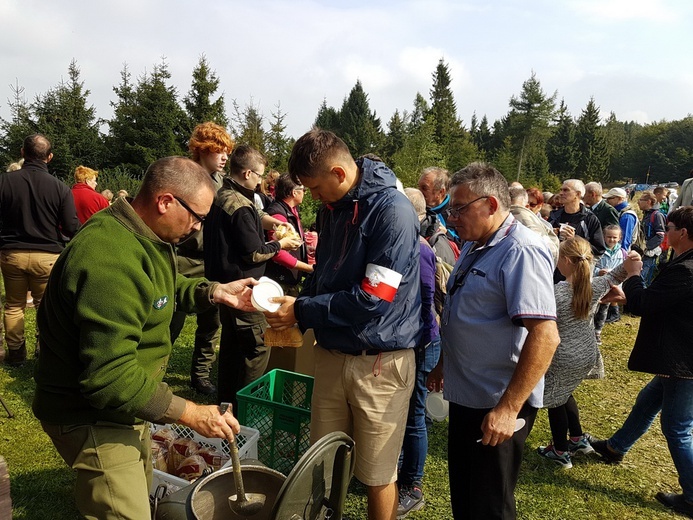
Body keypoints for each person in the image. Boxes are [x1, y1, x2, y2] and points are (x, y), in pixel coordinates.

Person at [32, 156, 254, 520]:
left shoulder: (145, 233)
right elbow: (108, 378)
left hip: (124, 408)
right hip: (89, 415)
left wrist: (214, 292)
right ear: (166, 201)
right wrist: (192, 412)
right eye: (197, 217)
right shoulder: (109, 258)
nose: (198, 229)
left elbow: (160, 289)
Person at [265, 129, 421, 520]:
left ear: (338, 172)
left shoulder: (393, 212)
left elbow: (373, 298)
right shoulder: (333, 207)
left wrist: (302, 311)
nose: (312, 197)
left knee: (377, 473)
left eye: (315, 188)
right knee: (322, 462)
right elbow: (324, 273)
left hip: (380, 363)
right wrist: (298, 301)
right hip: (333, 353)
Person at [427, 162, 560, 519]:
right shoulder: (478, 242)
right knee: (468, 496)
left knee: (489, 505)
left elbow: (545, 335)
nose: (452, 218)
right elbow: (463, 308)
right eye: (450, 210)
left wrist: (508, 408)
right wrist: (444, 363)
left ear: (490, 205)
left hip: (497, 401)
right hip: (470, 395)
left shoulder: (520, 250)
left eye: (459, 209)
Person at [589, 206, 693, 519]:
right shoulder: (683, 263)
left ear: (683, 233)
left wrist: (633, 277)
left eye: (669, 227)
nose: (664, 233)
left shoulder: (686, 268)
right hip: (680, 357)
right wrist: (627, 295)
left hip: (685, 362)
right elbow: (665, 301)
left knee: (677, 428)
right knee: (647, 402)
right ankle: (615, 448)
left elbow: (645, 304)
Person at [204, 145, 301, 411]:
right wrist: (282, 245)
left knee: (232, 349)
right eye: (259, 175)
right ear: (247, 173)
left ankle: (226, 404)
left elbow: (256, 215)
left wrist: (276, 224)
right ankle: (247, 408)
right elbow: (255, 253)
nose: (261, 180)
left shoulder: (223, 195)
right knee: (257, 349)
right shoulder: (240, 206)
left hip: (224, 286)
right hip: (245, 290)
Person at [536, 237, 632, 468]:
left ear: (567, 261)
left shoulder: (557, 292)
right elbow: (619, 273)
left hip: (563, 354)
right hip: (587, 350)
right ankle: (578, 439)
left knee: (555, 400)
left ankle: (560, 451)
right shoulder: (596, 285)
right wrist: (634, 258)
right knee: (566, 391)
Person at [0, 134, 79, 366]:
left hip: (12, 254)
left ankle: (15, 354)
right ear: (50, 157)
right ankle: (45, 352)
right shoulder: (61, 188)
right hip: (47, 256)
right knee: (46, 308)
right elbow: (72, 226)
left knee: (14, 306)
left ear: (22, 152)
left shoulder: (4, 182)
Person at [169, 121, 233, 396]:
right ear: (203, 149)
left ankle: (201, 374)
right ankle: (153, 373)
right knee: (170, 321)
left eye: (227, 152)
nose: (224, 157)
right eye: (219, 151)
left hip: (213, 262)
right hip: (184, 258)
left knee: (211, 323)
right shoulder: (183, 175)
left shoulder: (222, 182)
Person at [399, 188, 441, 517]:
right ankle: (397, 468)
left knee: (415, 415)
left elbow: (427, 300)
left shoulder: (421, 248)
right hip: (410, 340)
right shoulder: (404, 242)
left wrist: (423, 342)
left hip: (422, 342)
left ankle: (412, 484)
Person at [264, 173, 313, 296]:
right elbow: (277, 253)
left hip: (289, 279)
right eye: (303, 189)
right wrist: (309, 268)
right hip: (281, 283)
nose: (305, 193)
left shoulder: (292, 211)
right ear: (294, 192)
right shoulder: (278, 214)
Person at [549, 179, 605, 282]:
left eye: (566, 190)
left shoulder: (589, 219)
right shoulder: (554, 217)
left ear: (578, 194)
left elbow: (599, 249)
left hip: (577, 277)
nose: (561, 193)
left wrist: (575, 240)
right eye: (561, 190)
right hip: (552, 273)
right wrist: (551, 234)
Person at [593, 225, 627, 344]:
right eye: (609, 237)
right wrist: (598, 272)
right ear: (604, 237)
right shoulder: (598, 251)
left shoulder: (623, 253)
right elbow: (592, 267)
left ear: (619, 238)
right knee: (593, 309)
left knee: (603, 309)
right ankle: (589, 330)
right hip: (597, 285)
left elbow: (625, 270)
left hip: (612, 287)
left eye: (614, 237)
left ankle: (598, 332)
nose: (611, 240)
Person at [509, 186, 559, 265]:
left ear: (539, 206)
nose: (527, 207)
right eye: (526, 202)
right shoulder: (511, 218)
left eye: (532, 204)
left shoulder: (545, 226)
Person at [418, 166, 459, 242]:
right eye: (419, 187)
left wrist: (446, 233)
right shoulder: (418, 208)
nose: (419, 192)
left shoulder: (455, 213)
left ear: (441, 192)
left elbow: (463, 244)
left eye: (424, 188)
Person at [636, 191, 666, 286]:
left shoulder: (657, 215)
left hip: (649, 253)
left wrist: (646, 247)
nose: (638, 202)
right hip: (643, 252)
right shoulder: (647, 214)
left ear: (648, 202)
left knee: (642, 278)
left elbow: (660, 235)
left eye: (641, 200)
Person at [604, 187, 639, 252]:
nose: (607, 201)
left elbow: (625, 240)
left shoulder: (627, 216)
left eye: (610, 198)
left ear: (619, 198)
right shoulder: (619, 212)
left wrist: (622, 257)